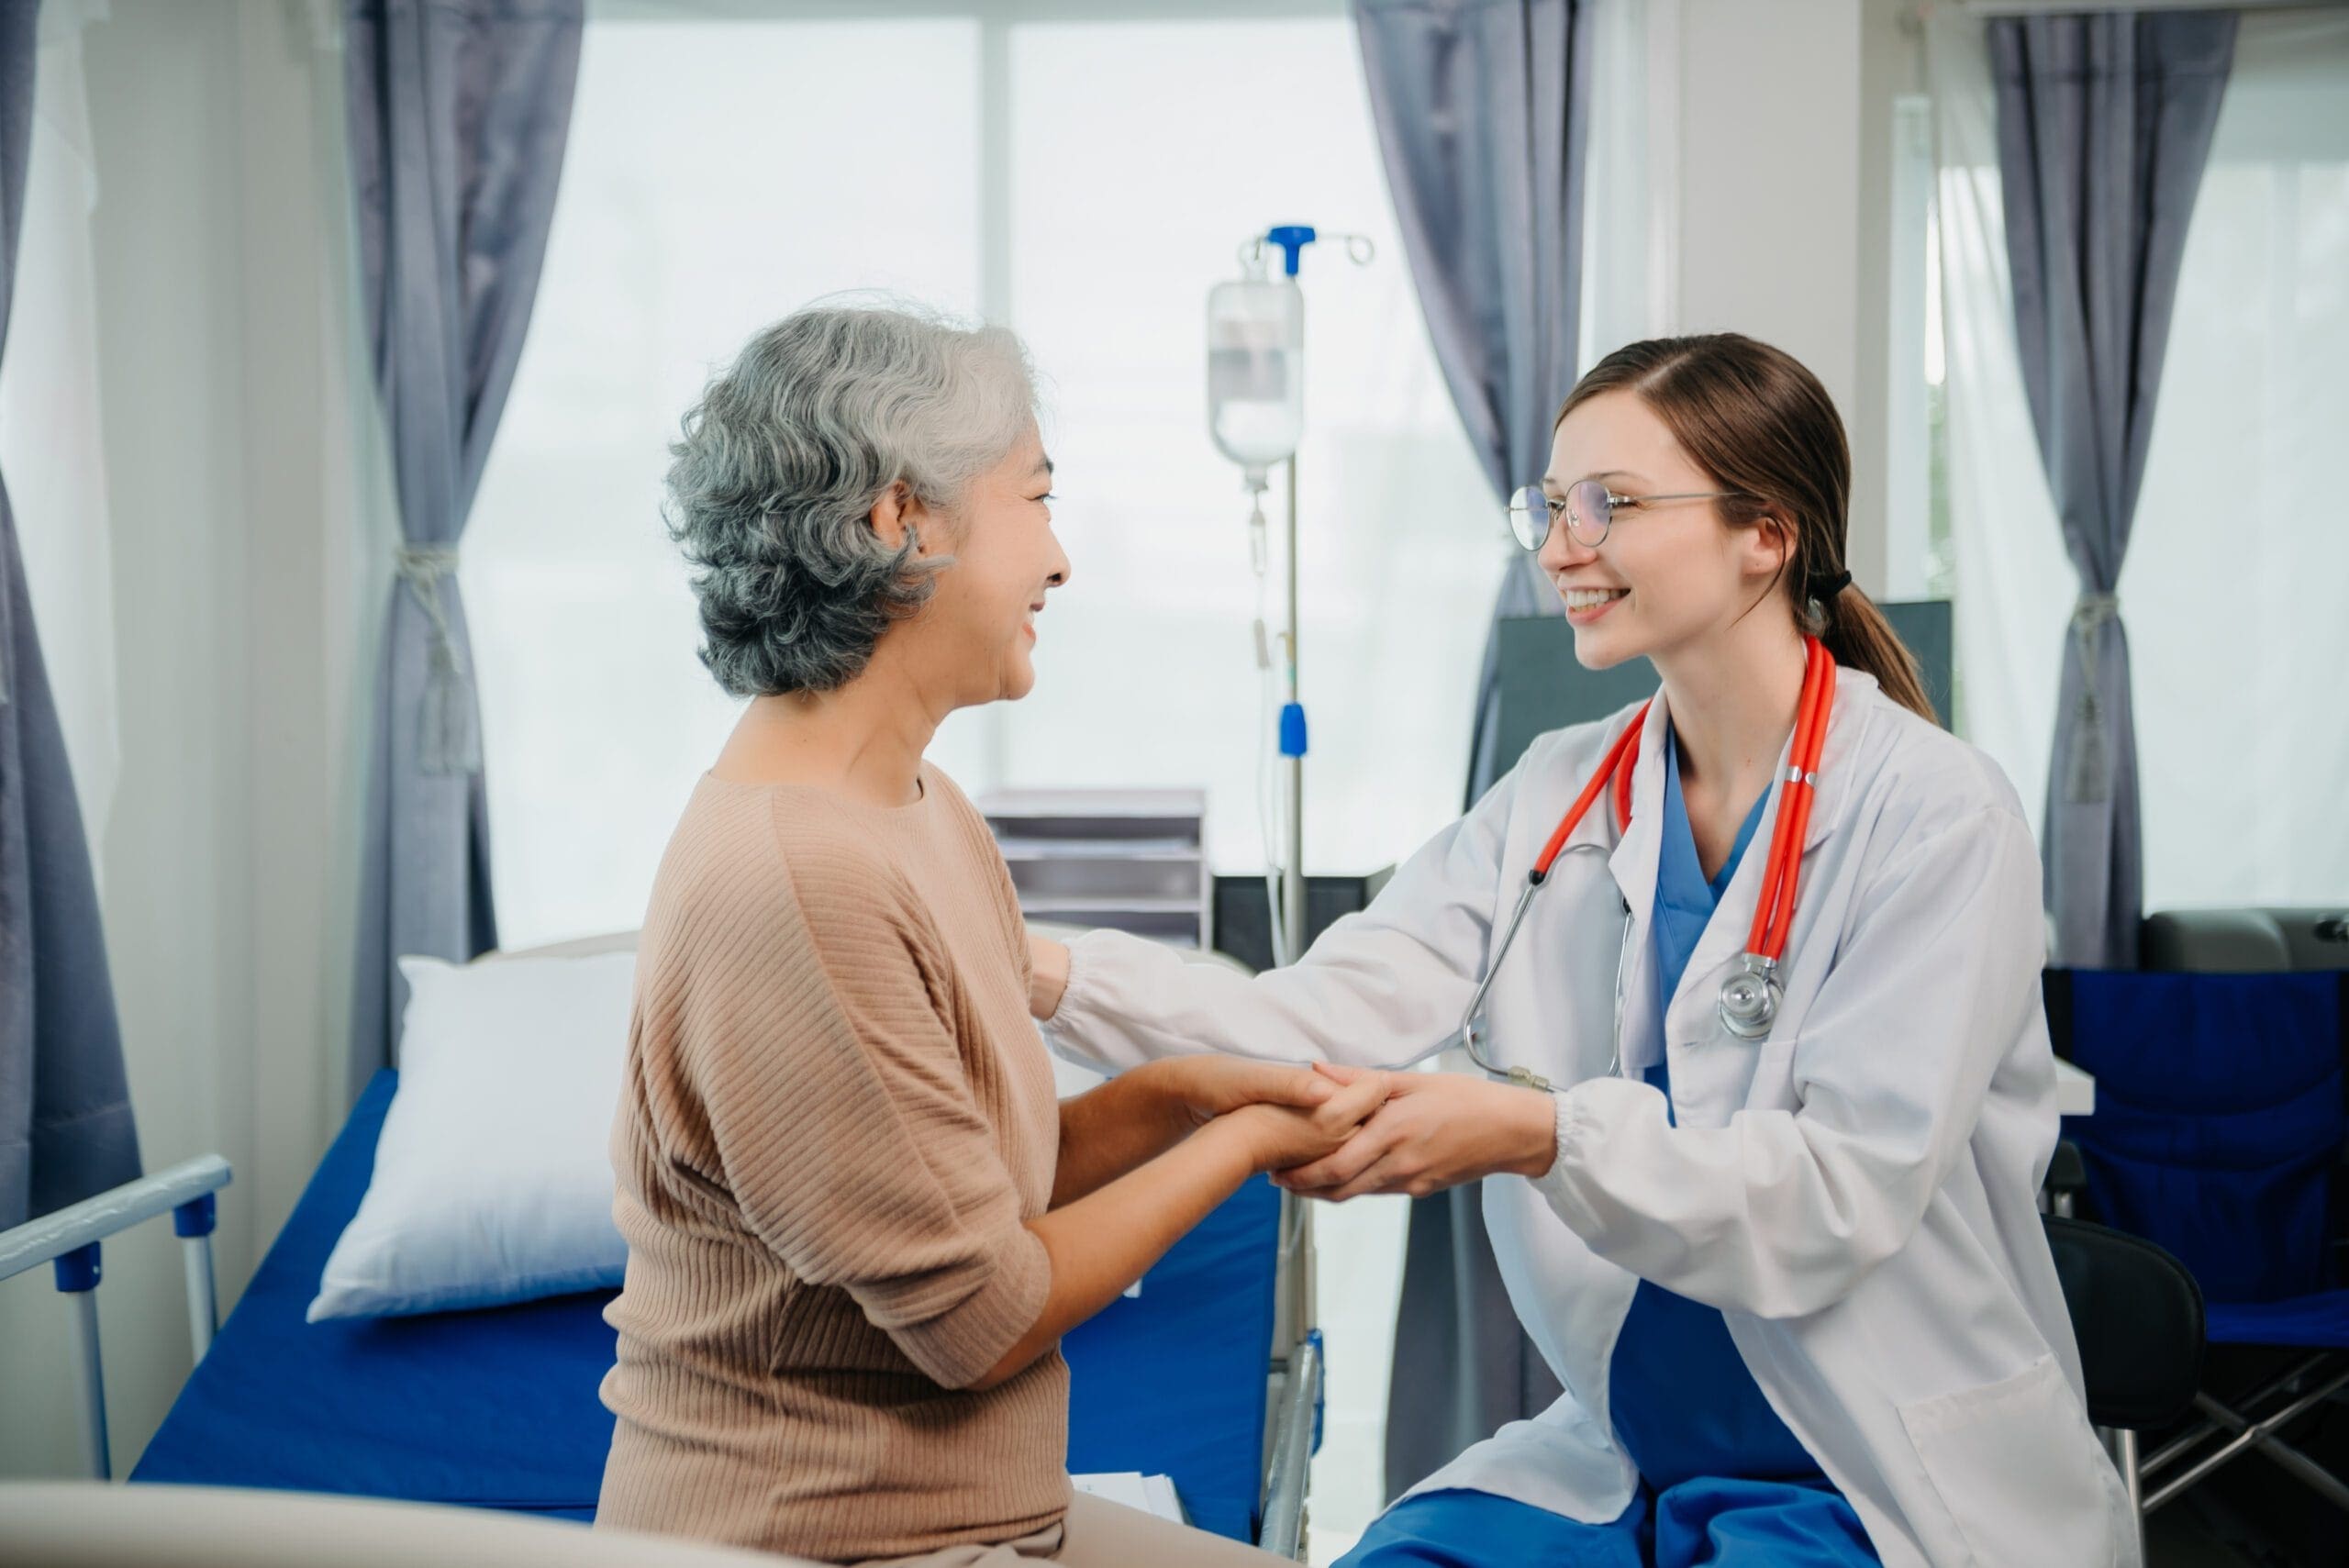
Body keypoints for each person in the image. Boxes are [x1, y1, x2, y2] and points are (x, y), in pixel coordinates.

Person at [1029, 335, 2130, 1566]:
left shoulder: (1935, 813)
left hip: (1864, 1462)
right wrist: (1036, 971)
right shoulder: (1560, 794)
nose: (1560, 547)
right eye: (1551, 507)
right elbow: (1319, 1013)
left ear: (1765, 531)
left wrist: (1532, 1131)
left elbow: (1840, 1191)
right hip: (1632, 1447)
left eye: (1610, 504)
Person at [595, 304, 1382, 1567]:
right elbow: (985, 1312)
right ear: (901, 521)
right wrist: (1241, 1142)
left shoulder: (915, 807)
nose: (1061, 559)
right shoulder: (800, 881)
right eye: (1037, 500)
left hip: (965, 1512)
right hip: (818, 1537)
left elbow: (978, 1182)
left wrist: (1181, 1094)